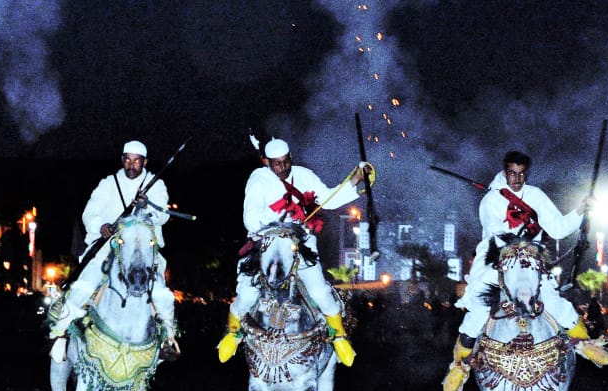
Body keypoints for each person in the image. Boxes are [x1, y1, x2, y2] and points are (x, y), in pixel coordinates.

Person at [442, 150, 607, 391]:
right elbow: (497, 235)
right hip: (498, 259)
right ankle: (460, 364)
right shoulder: (491, 200)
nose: (516, 179)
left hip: (530, 258)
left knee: (551, 297)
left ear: (526, 174)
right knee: (481, 305)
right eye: (512, 173)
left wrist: (581, 210)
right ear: (505, 171)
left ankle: (583, 343)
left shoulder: (536, 196)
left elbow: (559, 228)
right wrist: (527, 229)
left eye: (521, 174)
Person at [216, 138, 370, 367]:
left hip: (300, 245)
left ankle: (338, 336)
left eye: (285, 162)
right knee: (247, 293)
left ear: (291, 159)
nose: (282, 168)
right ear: (267, 162)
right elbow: (250, 217)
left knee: (319, 291)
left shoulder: (304, 175)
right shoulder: (258, 179)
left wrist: (356, 178)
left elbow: (327, 199)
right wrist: (279, 222)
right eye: (276, 164)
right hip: (266, 242)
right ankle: (233, 333)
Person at [48, 140, 178, 362]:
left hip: (143, 251)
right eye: (127, 159)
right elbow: (90, 212)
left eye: (136, 161)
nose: (131, 165)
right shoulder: (109, 184)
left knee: (161, 293)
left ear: (144, 162)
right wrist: (101, 226)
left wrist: (147, 205)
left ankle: (169, 338)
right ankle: (60, 334)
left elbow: (163, 215)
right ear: (122, 160)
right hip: (109, 248)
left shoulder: (156, 184)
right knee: (85, 284)